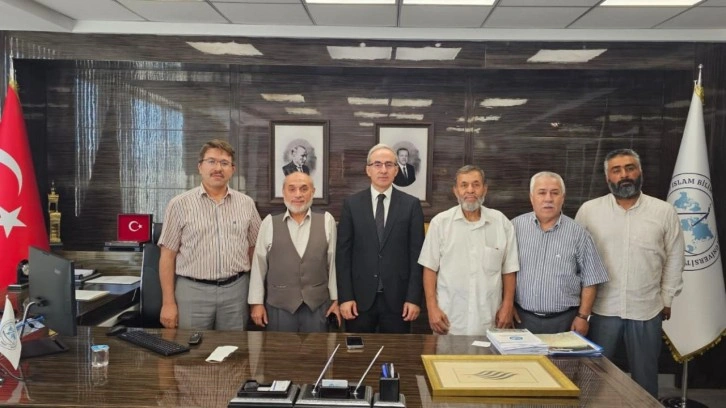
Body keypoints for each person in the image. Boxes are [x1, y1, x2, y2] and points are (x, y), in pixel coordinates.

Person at [575, 148, 684, 398]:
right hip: (601, 310)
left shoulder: (664, 211)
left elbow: (675, 257)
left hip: (646, 309)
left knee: (645, 379)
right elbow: (577, 260)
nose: (624, 175)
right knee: (593, 376)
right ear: (608, 177)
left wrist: (667, 298)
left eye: (630, 168)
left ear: (640, 172)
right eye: (616, 170)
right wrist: (581, 307)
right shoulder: (589, 211)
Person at [158, 139, 262, 330]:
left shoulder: (246, 204)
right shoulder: (179, 204)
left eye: (224, 163)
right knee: (190, 347)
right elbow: (167, 256)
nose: (218, 168)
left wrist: (256, 297)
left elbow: (255, 251)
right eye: (211, 161)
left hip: (236, 291)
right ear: (200, 166)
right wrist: (168, 303)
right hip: (192, 291)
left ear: (232, 169)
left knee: (233, 347)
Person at [419, 165, 519, 336]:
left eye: (476, 184)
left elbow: (509, 270)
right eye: (464, 185)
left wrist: (508, 305)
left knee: (488, 354)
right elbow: (429, 269)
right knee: (446, 355)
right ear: (455, 190)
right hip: (449, 319)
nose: (470, 190)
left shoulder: (501, 223)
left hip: (490, 318)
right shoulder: (440, 223)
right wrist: (432, 308)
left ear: (485, 189)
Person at [336, 143, 425, 333]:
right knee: (357, 350)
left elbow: (417, 256)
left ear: (396, 170)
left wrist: (413, 298)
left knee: (395, 350)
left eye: (389, 164)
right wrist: (345, 297)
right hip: (358, 301)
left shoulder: (411, 205)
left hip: (399, 301)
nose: (383, 170)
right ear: (368, 170)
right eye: (377, 164)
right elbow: (343, 255)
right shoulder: (351, 205)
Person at [512, 171, 608, 335]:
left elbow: (591, 279)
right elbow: (504, 272)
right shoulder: (514, 227)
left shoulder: (578, 234)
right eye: (542, 192)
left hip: (565, 321)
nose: (548, 199)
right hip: (521, 319)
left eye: (554, 193)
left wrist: (583, 316)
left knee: (563, 354)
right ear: (531, 197)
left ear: (563, 198)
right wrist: (507, 305)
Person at [248, 172, 341, 332]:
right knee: (280, 348)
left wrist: (335, 300)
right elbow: (258, 266)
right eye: (292, 189)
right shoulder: (269, 222)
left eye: (304, 189)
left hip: (318, 306)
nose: (298, 194)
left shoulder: (327, 220)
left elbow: (332, 264)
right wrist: (256, 303)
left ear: (313, 192)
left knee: (317, 347)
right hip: (279, 306)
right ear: (283, 192)